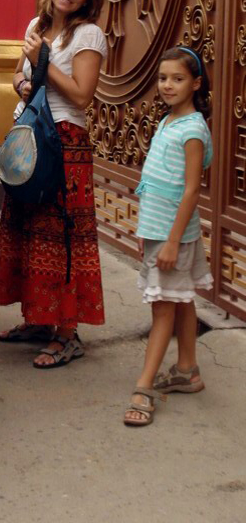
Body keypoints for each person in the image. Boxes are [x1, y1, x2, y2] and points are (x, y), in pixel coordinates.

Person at [0, 0, 107, 368]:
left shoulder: (88, 35)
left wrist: (43, 63)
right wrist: (22, 81)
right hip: (30, 138)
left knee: (62, 237)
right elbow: (18, 76)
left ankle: (67, 333)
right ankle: (38, 321)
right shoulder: (35, 27)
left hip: (65, 144)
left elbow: (80, 94)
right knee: (29, 230)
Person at [124, 46, 213, 426]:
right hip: (161, 231)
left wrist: (173, 240)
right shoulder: (168, 121)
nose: (167, 85)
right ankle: (187, 369)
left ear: (195, 84)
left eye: (177, 79)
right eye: (163, 78)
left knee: (162, 307)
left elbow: (192, 190)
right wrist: (149, 231)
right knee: (179, 299)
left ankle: (144, 388)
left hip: (174, 235)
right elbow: (158, 183)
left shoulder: (193, 129)